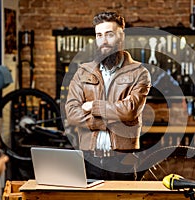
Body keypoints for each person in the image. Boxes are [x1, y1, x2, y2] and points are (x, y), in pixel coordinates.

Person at [65, 11, 151, 180]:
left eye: (109, 34)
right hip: (88, 159)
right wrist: (110, 119)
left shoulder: (139, 72)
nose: (103, 41)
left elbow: (129, 111)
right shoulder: (83, 72)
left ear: (121, 37)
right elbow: (71, 113)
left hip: (123, 160)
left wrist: (93, 106)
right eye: (99, 35)